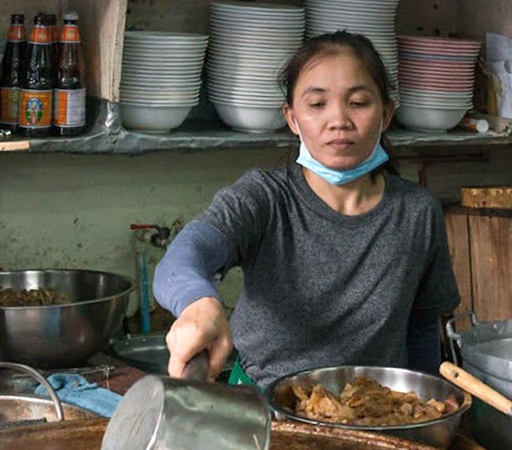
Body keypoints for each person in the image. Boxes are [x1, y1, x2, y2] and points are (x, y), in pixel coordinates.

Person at [154, 31, 460, 389]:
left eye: (358, 102)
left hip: (381, 414)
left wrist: (426, 406)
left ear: (387, 113)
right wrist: (199, 303)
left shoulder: (417, 212)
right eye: (317, 105)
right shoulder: (265, 199)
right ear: (293, 118)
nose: (339, 120)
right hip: (265, 409)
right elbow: (183, 257)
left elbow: (422, 328)